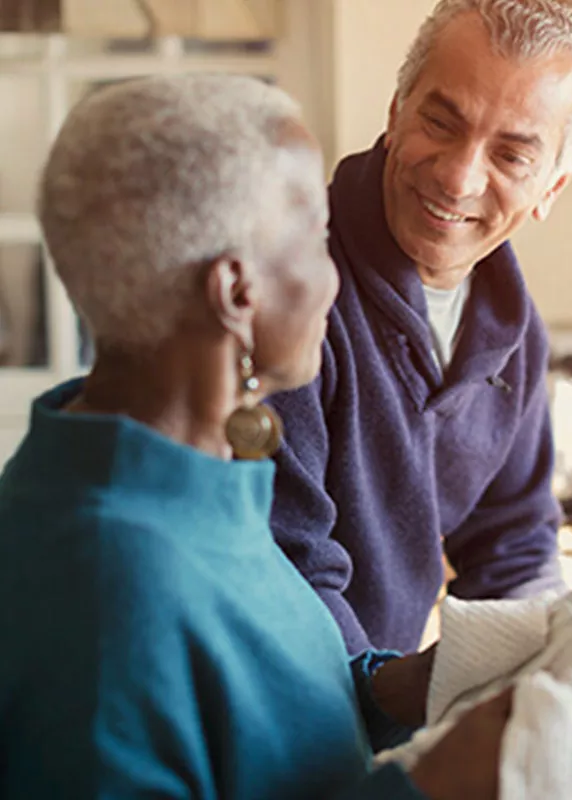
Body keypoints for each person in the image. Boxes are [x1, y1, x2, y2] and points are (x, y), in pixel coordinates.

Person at [0, 74, 512, 799]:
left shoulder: (197, 482)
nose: (334, 280)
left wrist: (396, 690)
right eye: (316, 239)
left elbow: (256, 722)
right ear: (239, 294)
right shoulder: (109, 599)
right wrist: (426, 790)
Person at [269, 0, 572, 655]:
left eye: (512, 156)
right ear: (396, 111)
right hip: (287, 713)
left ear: (551, 187)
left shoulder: (511, 334)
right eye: (441, 121)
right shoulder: (289, 287)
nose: (459, 178)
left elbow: (513, 545)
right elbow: (287, 571)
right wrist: (390, 707)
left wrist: (532, 673)